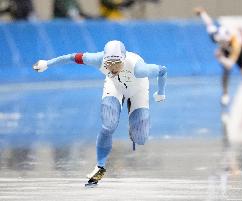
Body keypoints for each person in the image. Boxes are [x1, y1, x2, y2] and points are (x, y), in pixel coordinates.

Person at [32, 40, 167, 185]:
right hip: (114, 87)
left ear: (124, 58)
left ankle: (133, 122)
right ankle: (100, 166)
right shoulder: (97, 59)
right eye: (109, 64)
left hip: (138, 90)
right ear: (104, 60)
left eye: (117, 64)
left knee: (140, 138)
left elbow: (162, 70)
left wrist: (161, 92)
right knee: (108, 125)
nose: (114, 68)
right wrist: (47, 63)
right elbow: (71, 57)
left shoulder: (139, 68)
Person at [194, 7, 242, 106]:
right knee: (225, 73)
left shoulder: (235, 45)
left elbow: (230, 64)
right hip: (225, 51)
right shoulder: (216, 36)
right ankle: (225, 94)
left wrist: (220, 58)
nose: (222, 43)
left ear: (228, 40)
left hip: (237, 53)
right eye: (220, 42)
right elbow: (209, 24)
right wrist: (203, 13)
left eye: (224, 42)